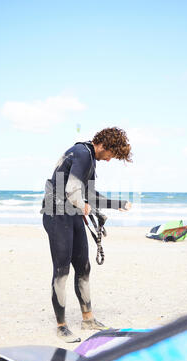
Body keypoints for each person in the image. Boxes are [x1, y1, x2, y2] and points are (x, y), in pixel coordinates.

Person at [41, 127, 132, 342]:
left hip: (72, 215)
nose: (110, 160)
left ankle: (88, 319)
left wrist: (115, 204)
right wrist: (82, 204)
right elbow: (73, 190)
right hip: (56, 214)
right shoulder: (82, 153)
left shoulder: (90, 159)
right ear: (103, 145)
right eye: (111, 154)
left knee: (84, 267)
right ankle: (62, 326)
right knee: (62, 270)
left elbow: (89, 195)